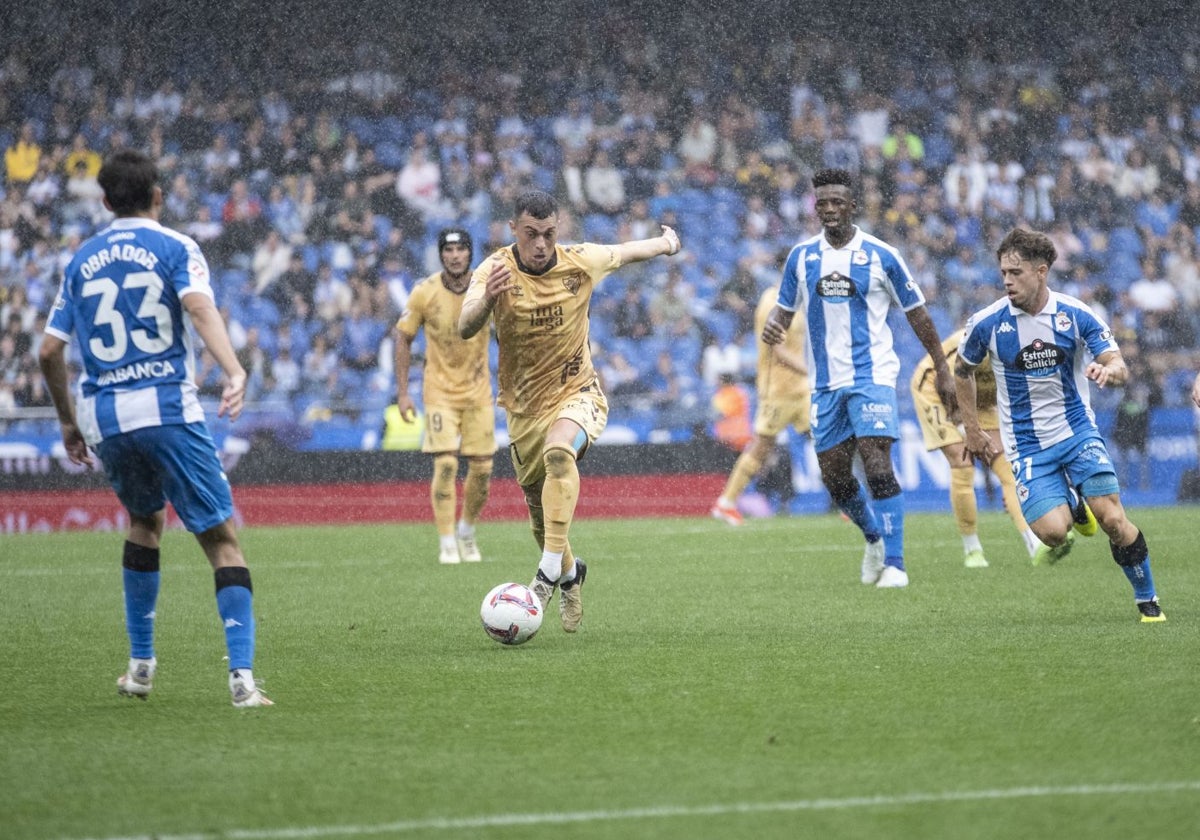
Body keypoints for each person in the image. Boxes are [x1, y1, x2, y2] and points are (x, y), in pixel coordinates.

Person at [37, 149, 273, 706]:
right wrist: (234, 369)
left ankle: (140, 668)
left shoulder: (82, 259)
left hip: (106, 417)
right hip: (166, 406)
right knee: (220, 540)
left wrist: (69, 421)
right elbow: (199, 308)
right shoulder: (175, 246)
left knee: (144, 524)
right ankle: (241, 681)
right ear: (158, 196)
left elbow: (49, 350)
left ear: (104, 201)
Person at [459, 190, 680, 631]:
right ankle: (570, 572)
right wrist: (488, 300)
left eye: (548, 234)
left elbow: (626, 252)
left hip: (578, 395)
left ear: (557, 230)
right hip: (523, 410)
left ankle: (543, 580)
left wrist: (666, 244)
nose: (540, 244)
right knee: (542, 521)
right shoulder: (494, 270)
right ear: (513, 231)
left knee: (560, 454)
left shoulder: (579, 260)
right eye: (530, 235)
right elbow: (465, 325)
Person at [955, 228, 1164, 622]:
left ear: (1041, 271)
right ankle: (1072, 501)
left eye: (1016, 272)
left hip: (1076, 433)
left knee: (1114, 520)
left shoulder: (1076, 313)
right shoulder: (987, 322)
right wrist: (972, 427)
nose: (1007, 281)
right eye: (1003, 272)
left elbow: (1117, 362)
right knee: (1052, 533)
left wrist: (1109, 372)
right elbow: (961, 370)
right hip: (1027, 445)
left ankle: (1147, 599)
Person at [762, 168, 955, 589]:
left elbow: (917, 313)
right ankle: (872, 537)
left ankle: (897, 564)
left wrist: (942, 366)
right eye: (822, 202)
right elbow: (784, 309)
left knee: (876, 459)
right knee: (834, 476)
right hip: (826, 382)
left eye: (837, 202)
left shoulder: (882, 255)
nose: (829, 209)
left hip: (873, 374)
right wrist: (774, 326)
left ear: (853, 206)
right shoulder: (802, 257)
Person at [393, 228, 496, 565]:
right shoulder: (424, 292)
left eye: (461, 248)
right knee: (448, 462)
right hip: (438, 391)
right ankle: (447, 539)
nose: (454, 255)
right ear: (440, 254)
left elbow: (506, 335)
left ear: (470, 253)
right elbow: (403, 337)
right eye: (448, 249)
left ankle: (467, 529)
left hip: (478, 390)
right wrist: (403, 393)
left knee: (482, 468)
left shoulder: (485, 289)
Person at [910, 329, 1045, 566]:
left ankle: (1034, 542)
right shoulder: (981, 342)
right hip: (938, 387)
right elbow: (950, 386)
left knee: (1009, 468)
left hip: (979, 396)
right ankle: (972, 549)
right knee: (962, 463)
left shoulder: (1033, 352)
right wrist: (966, 431)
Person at [711, 284, 811, 526]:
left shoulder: (799, 299)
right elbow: (778, 350)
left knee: (829, 437)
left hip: (801, 390)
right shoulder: (772, 303)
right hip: (777, 392)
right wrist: (812, 371)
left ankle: (849, 502)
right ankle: (726, 503)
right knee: (762, 447)